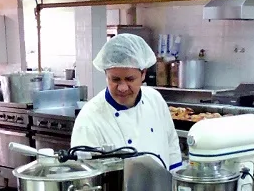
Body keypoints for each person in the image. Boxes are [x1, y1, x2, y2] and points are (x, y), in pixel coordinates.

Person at [71, 34, 183, 172]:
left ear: (143, 74)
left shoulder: (155, 100)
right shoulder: (90, 118)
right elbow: (84, 174)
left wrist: (176, 187)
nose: (122, 87)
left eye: (130, 79)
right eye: (115, 79)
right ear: (106, 75)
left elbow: (171, 144)